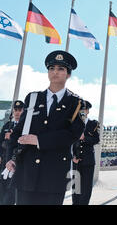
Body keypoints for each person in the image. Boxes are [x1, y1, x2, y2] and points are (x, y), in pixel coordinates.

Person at [5, 50, 84, 205]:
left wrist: (39, 140)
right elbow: (18, 132)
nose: (55, 72)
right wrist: (10, 158)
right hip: (26, 171)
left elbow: (72, 135)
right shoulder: (33, 98)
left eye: (61, 69)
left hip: (53, 175)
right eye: (52, 68)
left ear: (68, 74)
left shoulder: (77, 103)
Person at [72, 100, 100, 205]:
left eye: (84, 109)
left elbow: (96, 139)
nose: (82, 111)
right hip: (76, 160)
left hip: (88, 161)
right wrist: (72, 156)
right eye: (80, 109)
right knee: (76, 189)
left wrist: (84, 138)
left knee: (86, 189)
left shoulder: (93, 124)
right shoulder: (73, 124)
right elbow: (69, 141)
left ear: (88, 111)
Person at [0, 100, 24, 205]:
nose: (17, 112)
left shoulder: (26, 127)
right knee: (2, 188)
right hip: (3, 161)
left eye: (20, 110)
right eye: (15, 110)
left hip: (16, 162)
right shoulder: (7, 126)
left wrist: (14, 137)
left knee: (11, 192)